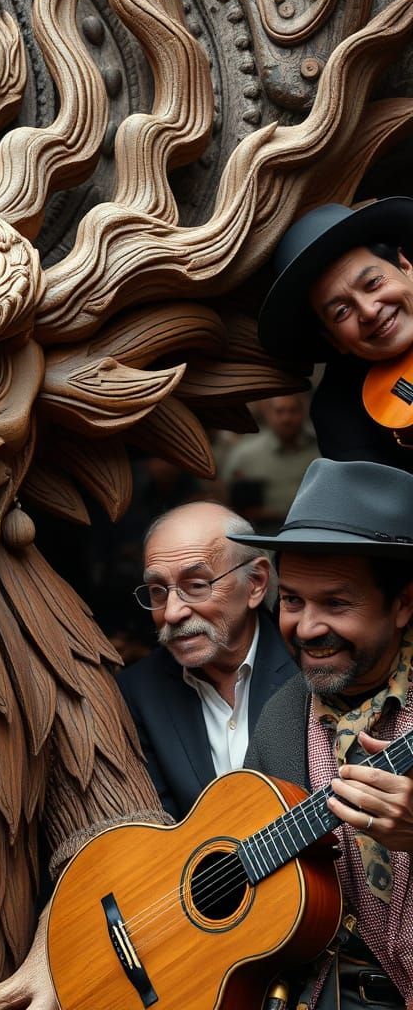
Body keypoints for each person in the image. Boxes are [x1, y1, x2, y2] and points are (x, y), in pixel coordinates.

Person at [234, 458, 413, 1009]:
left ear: (404, 603)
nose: (306, 628)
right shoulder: (284, 715)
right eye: (292, 601)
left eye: (336, 602)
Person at [117, 502, 298, 820]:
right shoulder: (137, 693)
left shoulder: (309, 669)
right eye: (158, 592)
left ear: (255, 583)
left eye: (196, 586)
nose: (172, 612)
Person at [257, 197, 413, 469]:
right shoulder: (340, 414)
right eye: (341, 311)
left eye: (373, 283)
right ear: (334, 339)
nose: (369, 310)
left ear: (406, 267)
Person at [220, 395, 320, 532]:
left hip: (311, 531)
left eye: (293, 411)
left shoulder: (321, 451)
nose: (286, 418)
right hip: (261, 533)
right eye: (279, 411)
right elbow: (223, 494)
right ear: (267, 414)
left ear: (303, 412)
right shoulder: (245, 454)